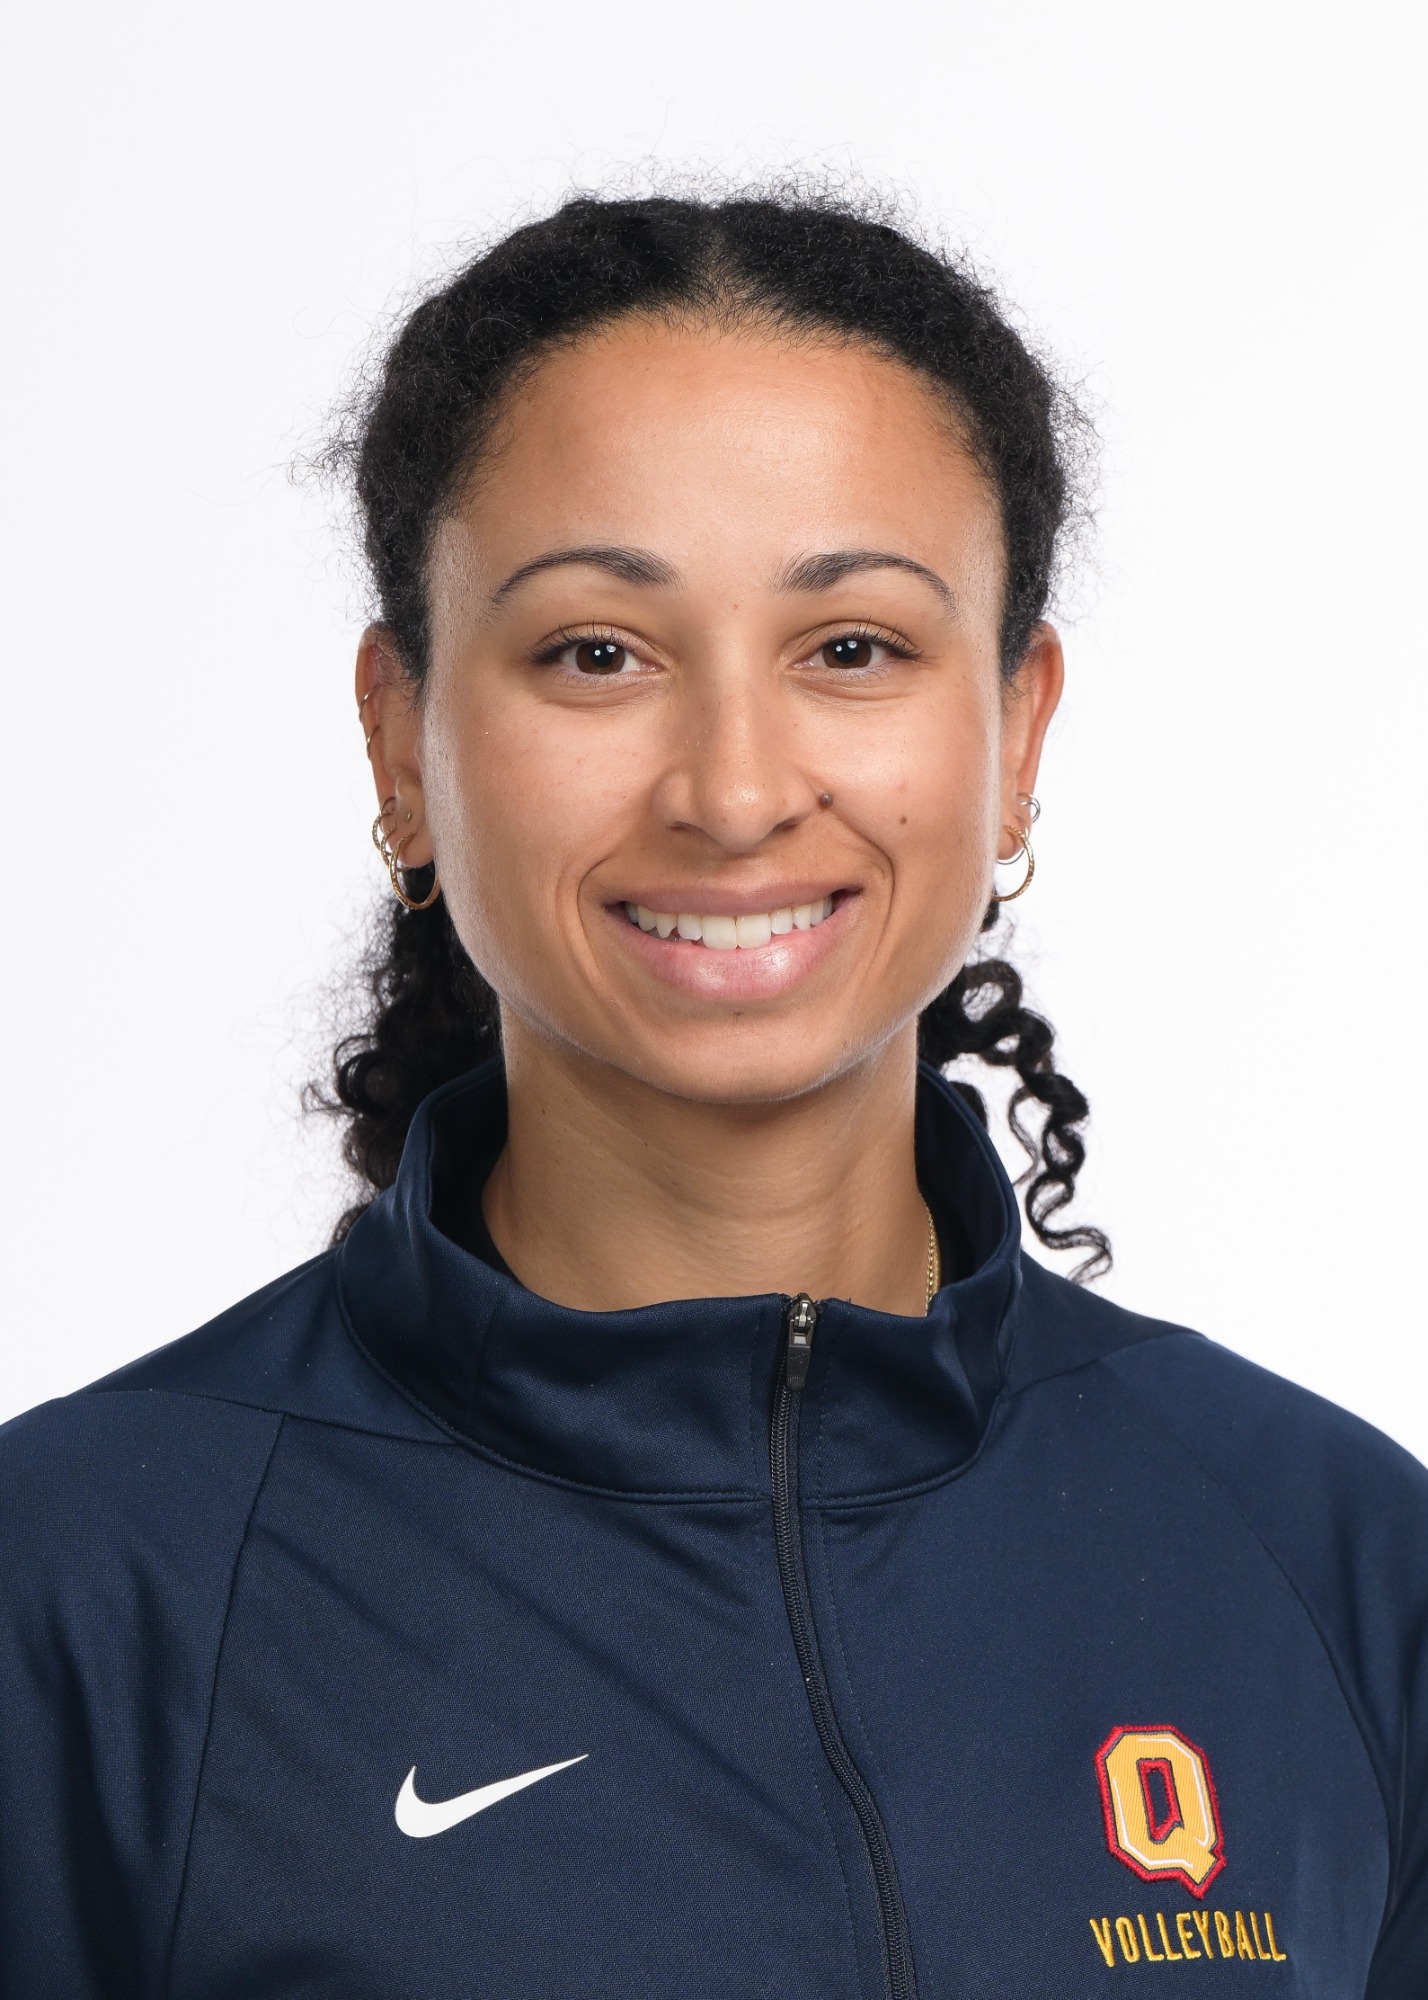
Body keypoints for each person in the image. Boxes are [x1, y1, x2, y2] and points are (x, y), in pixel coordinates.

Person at [1, 188, 1424, 2000]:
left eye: (853, 650)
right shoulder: (77, 1595)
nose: (734, 790)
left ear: (1017, 739)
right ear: (402, 740)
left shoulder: (1337, 1563)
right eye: (597, 652)